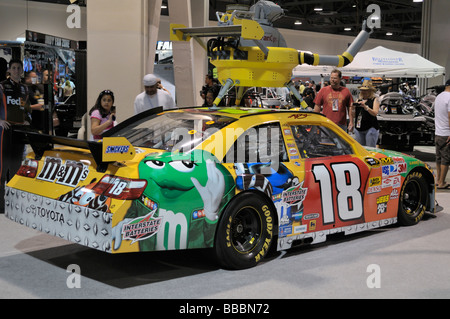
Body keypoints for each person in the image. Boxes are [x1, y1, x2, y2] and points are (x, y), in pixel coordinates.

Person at [0, 59, 32, 212]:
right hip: (4, 132)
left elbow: (27, 110)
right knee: (2, 167)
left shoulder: (25, 89)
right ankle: (0, 205)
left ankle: (13, 204)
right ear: (9, 70)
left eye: (19, 68)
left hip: (19, 131)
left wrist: (26, 120)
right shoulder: (2, 86)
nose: (16, 70)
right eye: (14, 68)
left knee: (16, 167)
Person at [353, 80, 380, 147]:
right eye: (362, 90)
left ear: (370, 91)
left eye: (366, 90)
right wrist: (352, 108)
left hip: (370, 127)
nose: (364, 92)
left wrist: (366, 107)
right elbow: (354, 115)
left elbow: (375, 113)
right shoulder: (358, 100)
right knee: (360, 149)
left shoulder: (374, 99)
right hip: (359, 127)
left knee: (370, 149)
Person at [434, 79, 450, 189]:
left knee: (438, 158)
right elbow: (449, 116)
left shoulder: (439, 97)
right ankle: (442, 182)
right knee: (446, 158)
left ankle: (438, 179)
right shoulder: (449, 97)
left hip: (438, 132)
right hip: (446, 132)